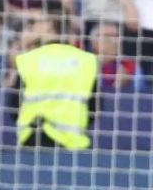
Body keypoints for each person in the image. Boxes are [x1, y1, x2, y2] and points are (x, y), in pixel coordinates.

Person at [8, 15, 100, 149]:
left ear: (48, 26)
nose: (31, 28)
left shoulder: (28, 60)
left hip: (34, 140)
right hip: (74, 143)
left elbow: (14, 106)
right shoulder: (87, 60)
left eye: (35, 23)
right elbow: (95, 107)